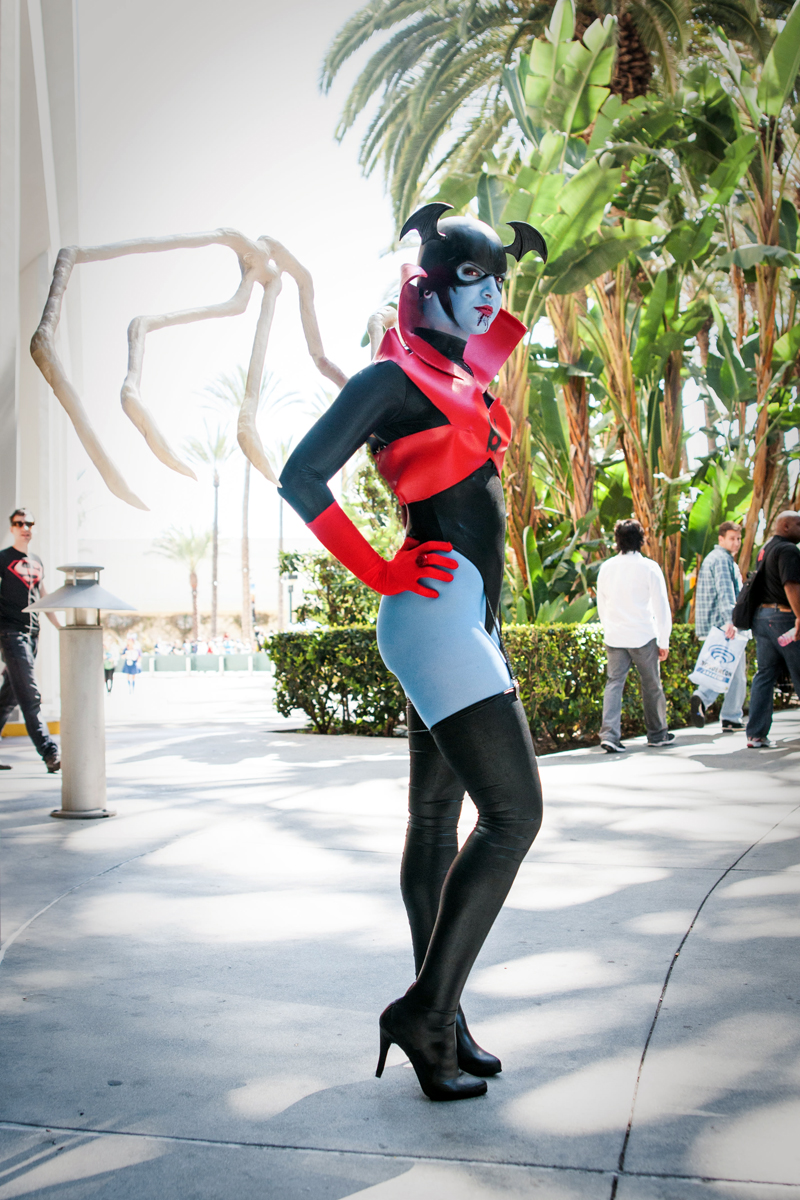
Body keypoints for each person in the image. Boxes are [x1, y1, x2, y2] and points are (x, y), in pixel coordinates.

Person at [279, 204, 546, 1102]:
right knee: (514, 815)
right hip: (433, 615)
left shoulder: (461, 373)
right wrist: (379, 571)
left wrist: (495, 261)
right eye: (473, 279)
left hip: (465, 620)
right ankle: (425, 1012)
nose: (492, 297)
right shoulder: (390, 380)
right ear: (427, 285)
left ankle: (445, 1019)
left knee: (436, 820)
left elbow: (494, 331)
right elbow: (300, 475)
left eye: (498, 282)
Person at [596, 518, 674, 753]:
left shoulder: (607, 567)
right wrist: (664, 640)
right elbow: (661, 606)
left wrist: (608, 628)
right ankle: (657, 734)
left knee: (614, 684)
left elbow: (602, 604)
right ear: (641, 540)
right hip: (643, 636)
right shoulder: (649, 568)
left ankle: (609, 735)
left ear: (617, 540)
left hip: (615, 637)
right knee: (651, 685)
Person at [0, 508, 61, 772]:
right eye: (19, 523)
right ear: (12, 528)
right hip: (10, 633)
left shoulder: (37, 562)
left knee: (9, 696)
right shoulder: (3, 559)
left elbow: (43, 597)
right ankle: (50, 753)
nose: (25, 528)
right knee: (30, 694)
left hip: (32, 635)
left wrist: (60, 627)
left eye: (29, 523)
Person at [746, 510, 800, 749]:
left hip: (762, 617)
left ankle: (756, 735)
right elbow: (791, 585)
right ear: (785, 526)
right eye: (799, 524)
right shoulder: (788, 550)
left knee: (765, 675)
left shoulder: (766, 548)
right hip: (784, 618)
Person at [690, 521, 747, 731]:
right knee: (735, 673)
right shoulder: (722, 560)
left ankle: (706, 700)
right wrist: (731, 621)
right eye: (732, 538)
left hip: (714, 626)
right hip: (723, 626)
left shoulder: (713, 558)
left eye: (738, 539)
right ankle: (729, 715)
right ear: (721, 539)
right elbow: (726, 592)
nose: (736, 543)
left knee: (722, 670)